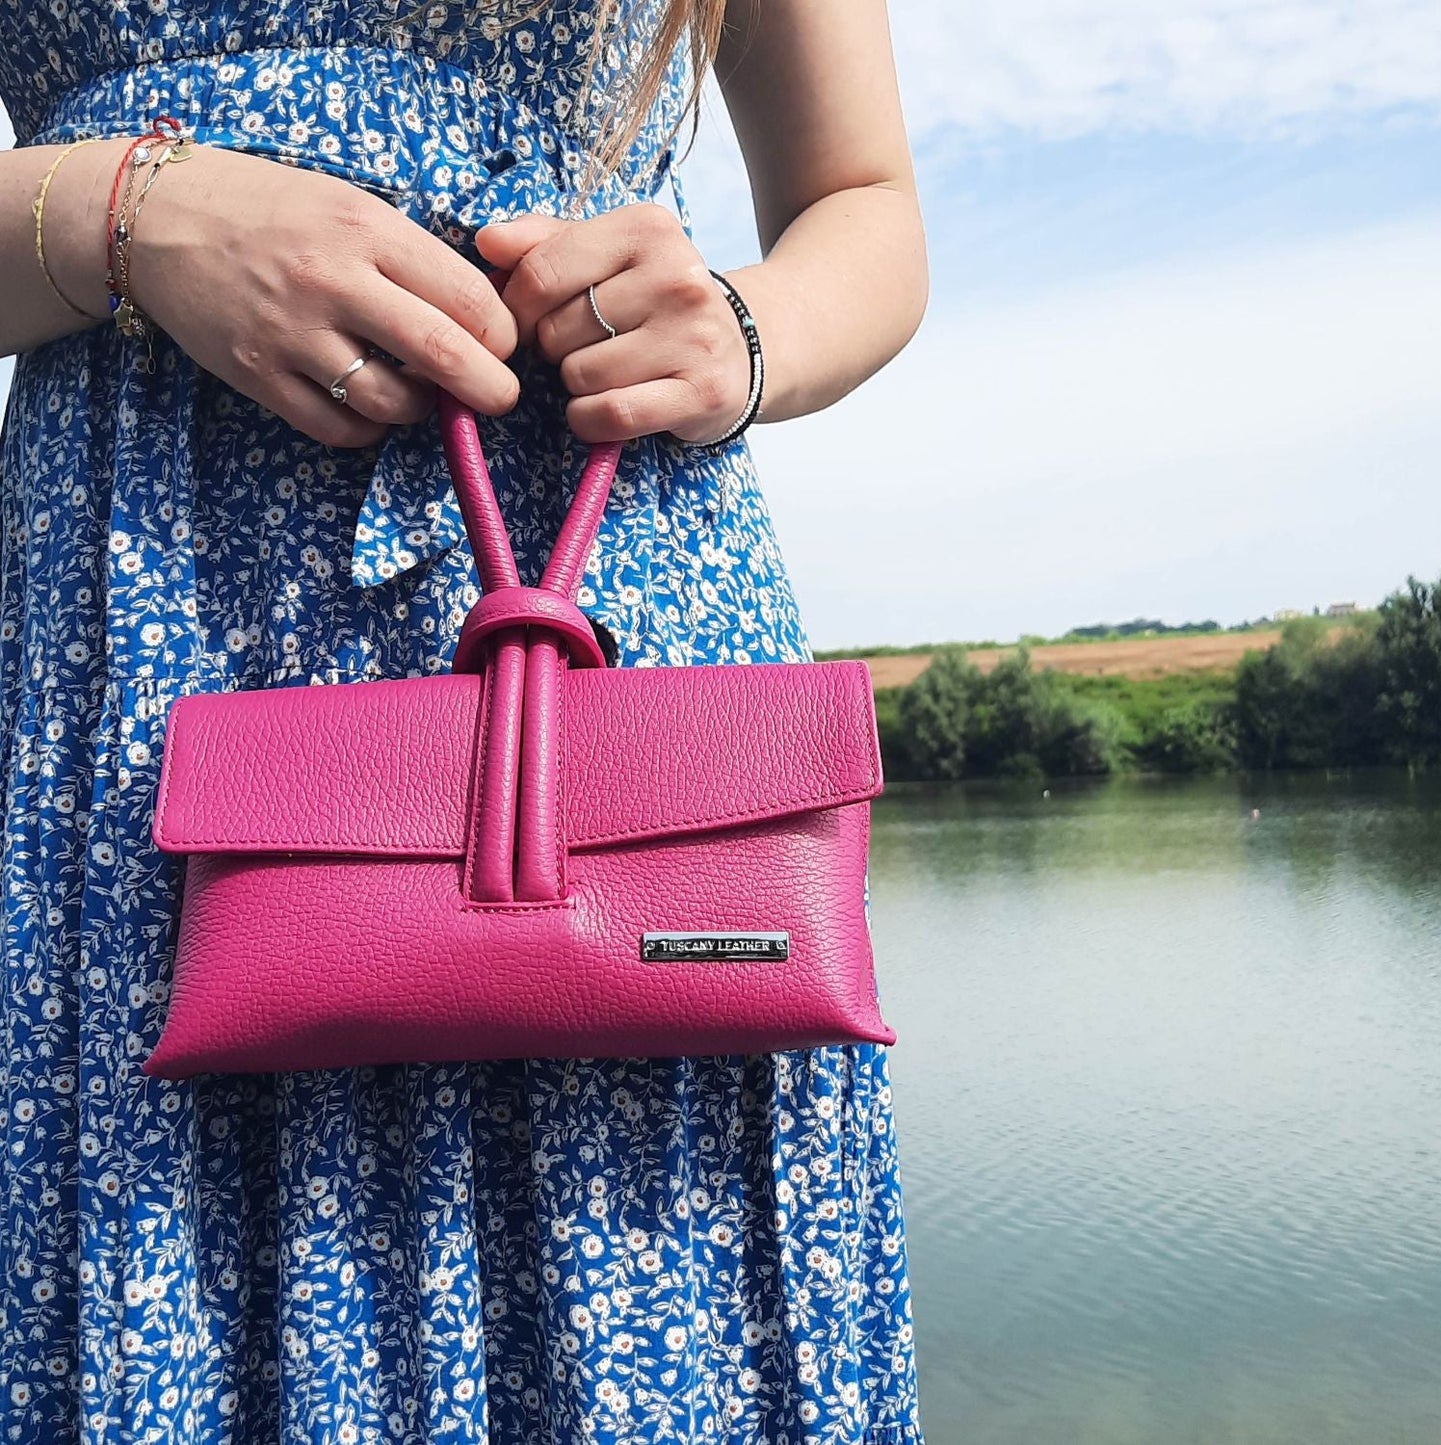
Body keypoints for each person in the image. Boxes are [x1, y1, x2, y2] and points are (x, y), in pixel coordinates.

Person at [0, 0, 929, 1440]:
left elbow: (860, 203)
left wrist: (747, 332)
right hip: (150, 643)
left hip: (617, 610)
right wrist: (126, 215)